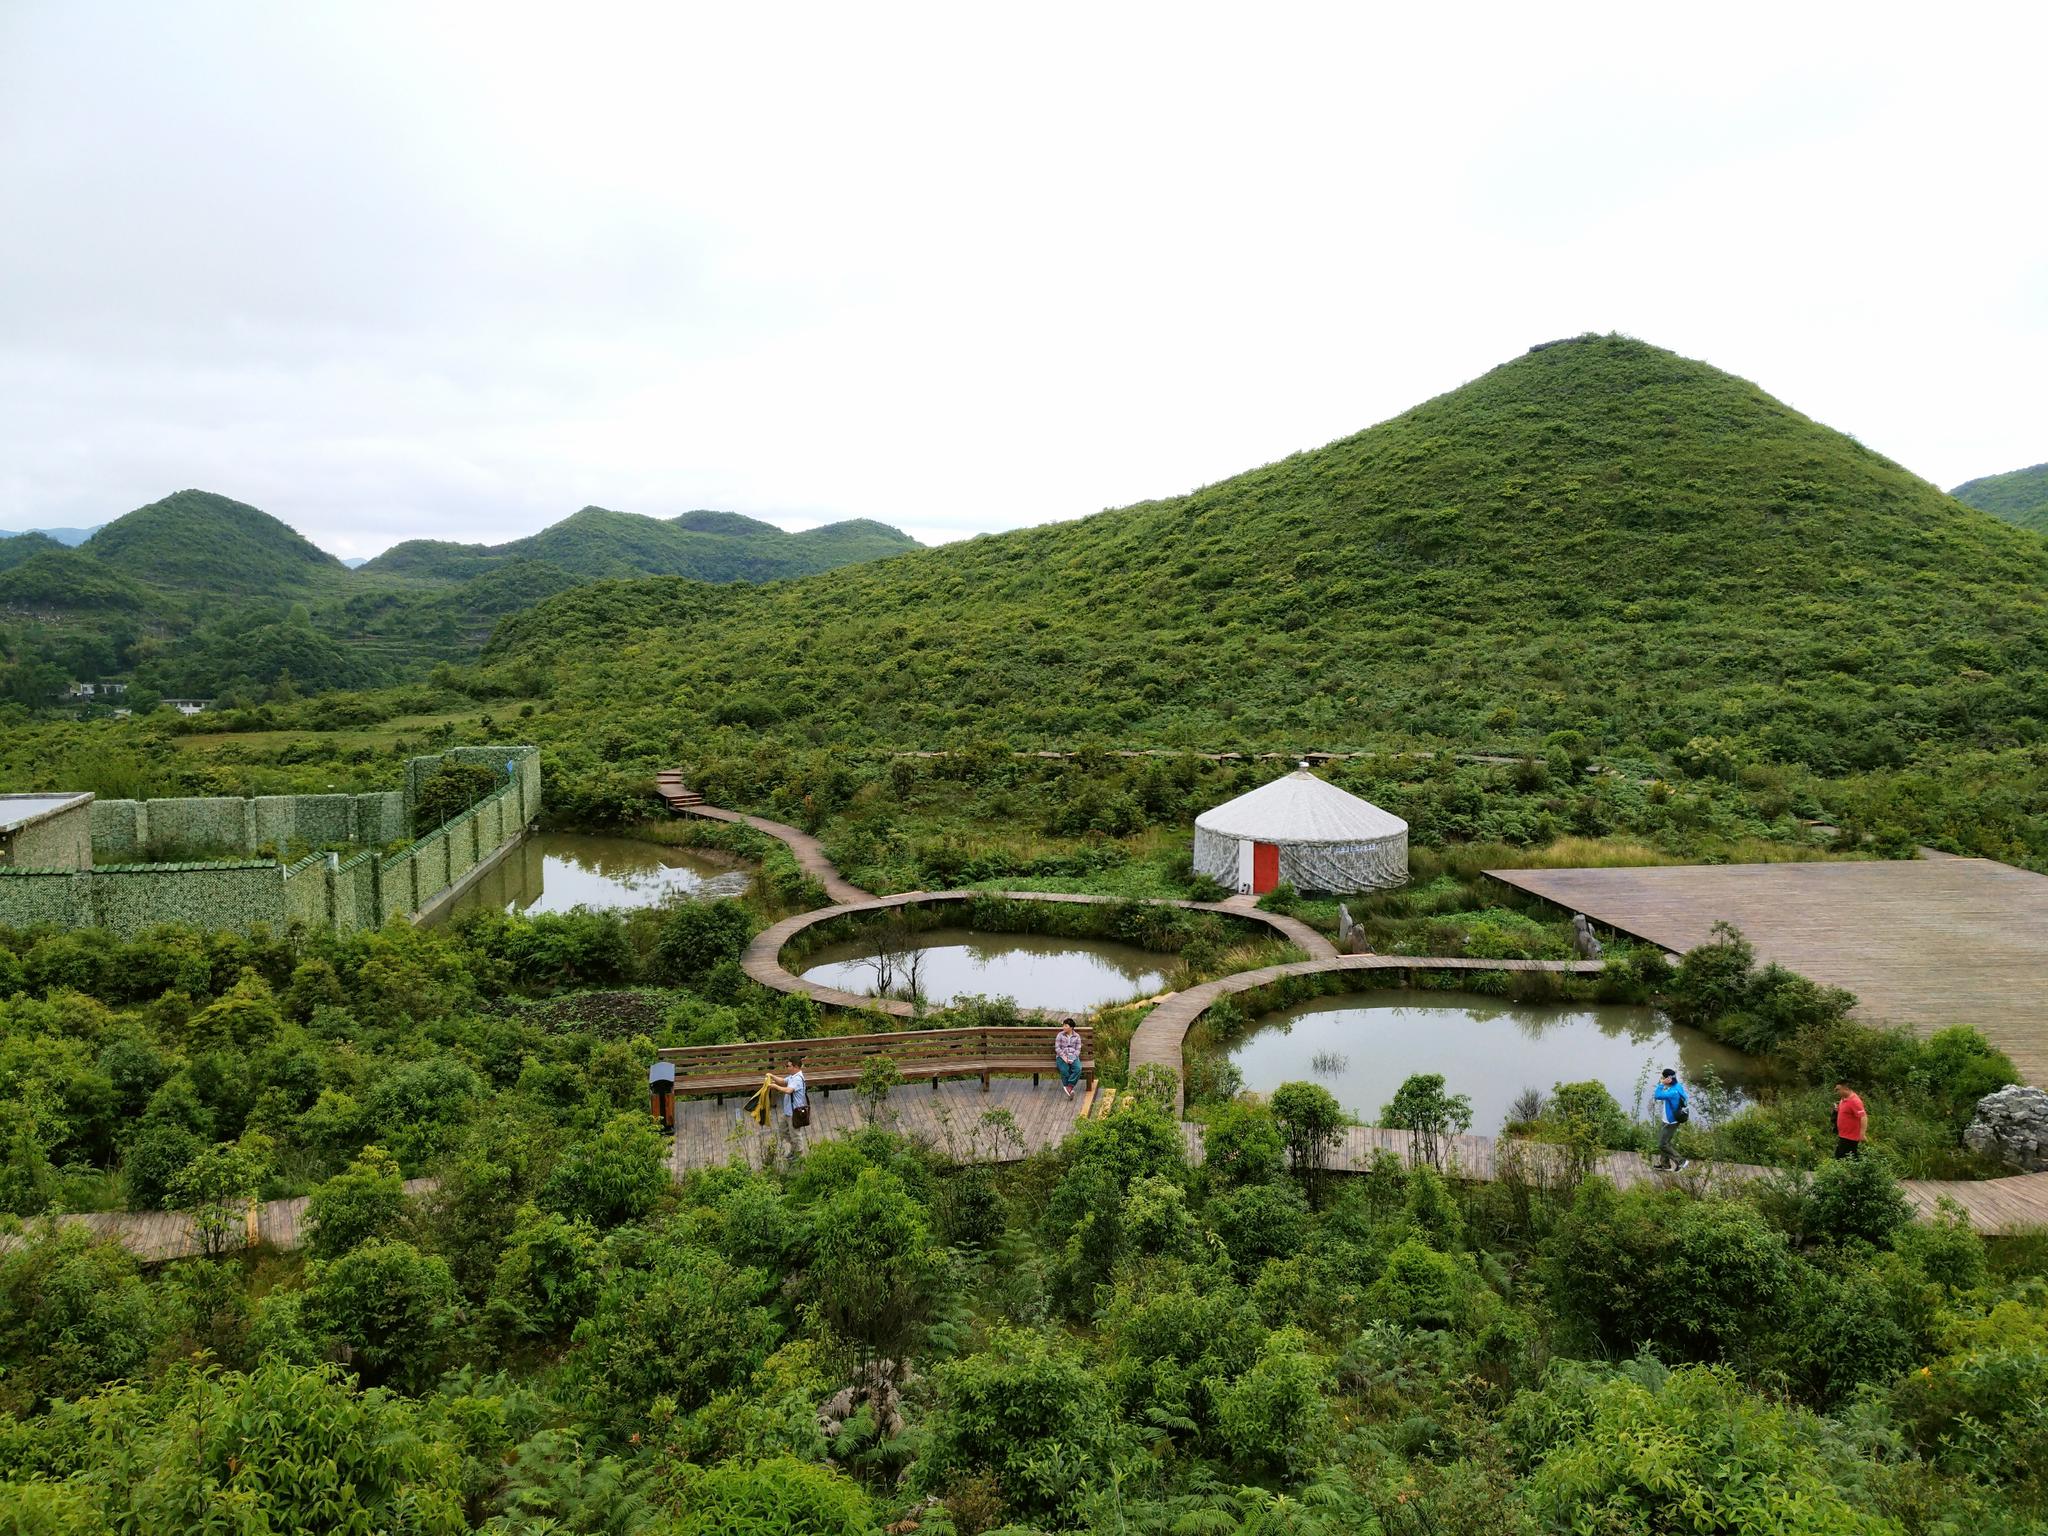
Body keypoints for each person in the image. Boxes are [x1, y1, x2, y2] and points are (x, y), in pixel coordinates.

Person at [767, 1055, 809, 1156]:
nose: (787, 1067)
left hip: (794, 1112)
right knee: (783, 1131)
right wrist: (772, 1076)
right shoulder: (792, 1076)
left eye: (788, 1066)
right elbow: (783, 1081)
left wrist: (775, 1087)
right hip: (788, 1111)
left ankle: (798, 1155)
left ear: (795, 1067)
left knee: (795, 1135)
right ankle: (794, 1149)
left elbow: (789, 1090)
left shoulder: (797, 1079)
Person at [1651, 1068, 1690, 1171]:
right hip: (1668, 1120)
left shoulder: (1673, 1092)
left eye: (1663, 1078)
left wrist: (1661, 1084)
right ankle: (1665, 1165)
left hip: (1670, 1121)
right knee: (1665, 1142)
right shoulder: (1677, 1086)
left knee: (1662, 1144)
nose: (1662, 1079)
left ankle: (1681, 1161)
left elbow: (1657, 1095)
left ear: (1668, 1079)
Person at [1833, 1080, 1866, 1158]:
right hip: (1843, 1135)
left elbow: (1863, 1117)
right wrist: (1837, 1109)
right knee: (1844, 1157)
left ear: (1846, 1088)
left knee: (1843, 1158)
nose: (1836, 1092)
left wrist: (1862, 1134)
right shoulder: (1843, 1099)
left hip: (1850, 1137)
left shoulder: (1855, 1101)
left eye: (1838, 1089)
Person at [1053, 1018, 1084, 1099]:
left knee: (1078, 1068)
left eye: (1066, 1026)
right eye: (1063, 1025)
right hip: (1061, 1056)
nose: (1063, 1027)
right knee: (1064, 1070)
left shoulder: (1077, 1036)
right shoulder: (1060, 1035)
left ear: (1071, 1027)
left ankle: (1069, 1086)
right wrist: (1064, 1057)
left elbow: (1078, 1049)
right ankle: (1069, 1090)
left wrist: (1072, 1058)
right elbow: (1057, 1048)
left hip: (1073, 1056)